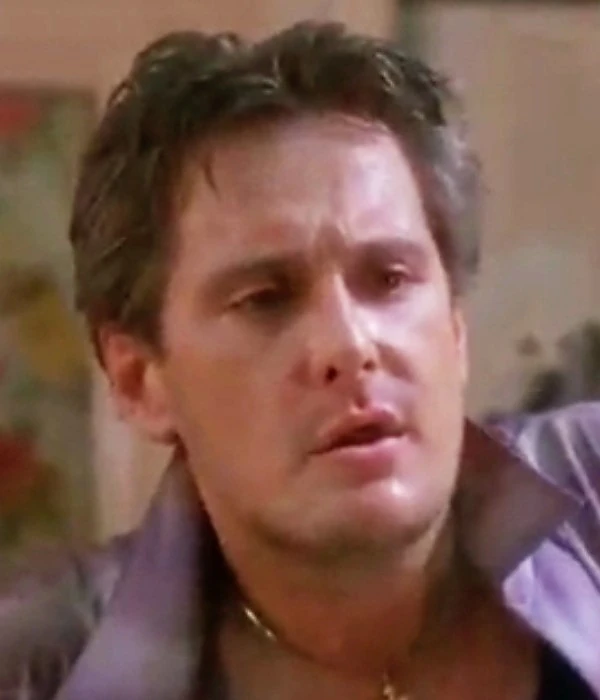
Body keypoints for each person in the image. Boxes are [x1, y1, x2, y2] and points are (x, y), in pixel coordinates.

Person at [0, 21, 598, 700]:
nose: (351, 344)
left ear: (456, 329)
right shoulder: (41, 669)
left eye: (390, 279)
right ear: (140, 380)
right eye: (265, 299)